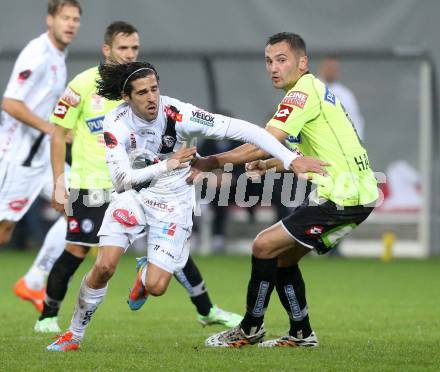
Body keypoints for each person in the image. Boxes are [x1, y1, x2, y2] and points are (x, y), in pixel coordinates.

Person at [47, 61, 326, 351]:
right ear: (126, 97)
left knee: (156, 287)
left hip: (174, 202)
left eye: (154, 89)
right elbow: (120, 180)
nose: (151, 97)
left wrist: (290, 159)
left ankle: (144, 276)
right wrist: (168, 164)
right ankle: (74, 334)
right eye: (142, 92)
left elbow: (244, 130)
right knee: (104, 266)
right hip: (133, 196)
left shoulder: (178, 113)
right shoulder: (115, 122)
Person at [34, 21, 242, 333]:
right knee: (78, 250)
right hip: (93, 183)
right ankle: (48, 316)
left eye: (134, 48)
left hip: (143, 182)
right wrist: (60, 180)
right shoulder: (81, 85)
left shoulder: (139, 88)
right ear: (106, 50)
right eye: (123, 48)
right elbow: (58, 133)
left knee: (171, 248)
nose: (130, 54)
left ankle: (206, 309)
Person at [199, 32, 378, 348]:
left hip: (340, 196)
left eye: (281, 60)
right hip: (356, 196)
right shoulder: (316, 92)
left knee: (263, 246)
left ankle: (250, 328)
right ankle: (301, 333)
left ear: (303, 62)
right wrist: (268, 166)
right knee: (282, 258)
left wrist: (210, 161)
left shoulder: (301, 94)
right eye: (268, 61)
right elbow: (305, 157)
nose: (273, 68)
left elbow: (262, 142)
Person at [0, 0, 82, 310]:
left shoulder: (59, 56)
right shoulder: (37, 53)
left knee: (84, 205)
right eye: (65, 18)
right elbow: (10, 103)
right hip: (17, 158)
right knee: (4, 233)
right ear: (50, 20)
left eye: (75, 19)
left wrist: (66, 128)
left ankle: (33, 281)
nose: (71, 24)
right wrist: (52, 129)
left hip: (43, 159)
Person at [318, 56, 365, 140]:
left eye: (334, 69)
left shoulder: (346, 95)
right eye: (329, 68)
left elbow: (355, 120)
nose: (331, 71)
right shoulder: (311, 87)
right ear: (322, 68)